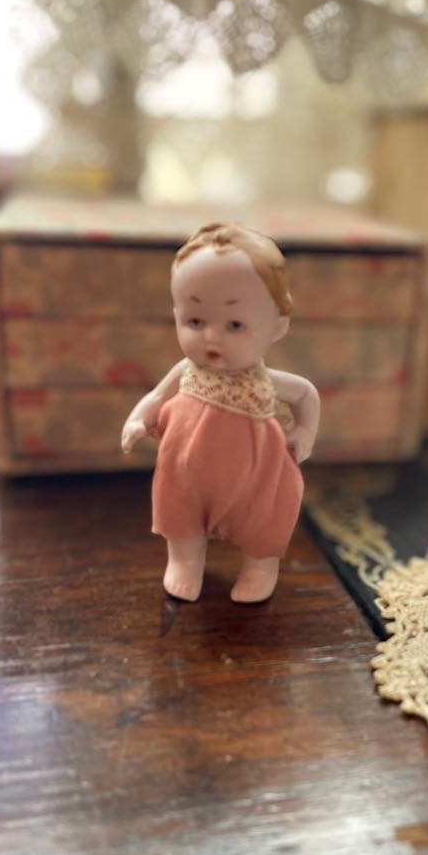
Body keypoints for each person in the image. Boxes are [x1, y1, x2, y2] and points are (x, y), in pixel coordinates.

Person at [121, 221, 320, 604]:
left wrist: (305, 431)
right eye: (195, 321)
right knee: (179, 510)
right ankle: (184, 561)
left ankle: (260, 567)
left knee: (262, 519)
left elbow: (306, 395)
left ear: (278, 327)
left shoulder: (265, 382)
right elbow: (157, 396)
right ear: (176, 314)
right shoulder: (187, 371)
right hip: (186, 469)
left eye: (235, 324)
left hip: (255, 474)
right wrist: (137, 419)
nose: (212, 336)